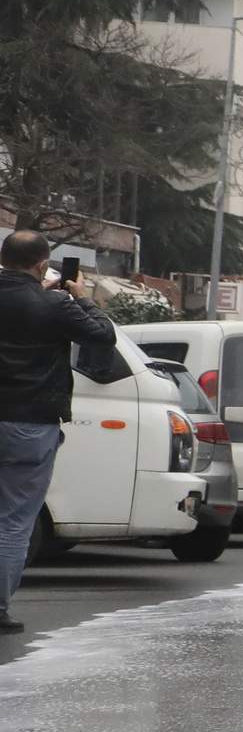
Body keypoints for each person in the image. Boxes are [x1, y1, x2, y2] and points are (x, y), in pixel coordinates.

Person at [0, 230, 118, 636]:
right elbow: (103, 336)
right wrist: (80, 297)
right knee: (14, 521)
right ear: (40, 265)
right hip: (30, 424)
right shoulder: (53, 305)